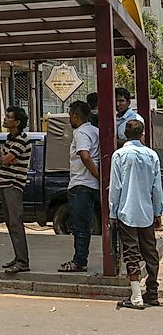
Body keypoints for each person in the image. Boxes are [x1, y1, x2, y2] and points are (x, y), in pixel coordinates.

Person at [109, 120, 162, 310]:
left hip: (126, 211)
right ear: (143, 134)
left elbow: (115, 186)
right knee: (150, 252)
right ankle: (152, 292)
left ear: (124, 135)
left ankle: (137, 297)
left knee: (131, 253)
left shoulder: (120, 155)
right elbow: (157, 188)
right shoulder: (152, 155)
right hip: (146, 211)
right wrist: (158, 211)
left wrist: (112, 212)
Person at [58, 101, 100, 273]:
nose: (70, 119)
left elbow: (84, 155)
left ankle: (79, 260)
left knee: (80, 225)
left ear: (76, 116)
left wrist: (98, 175)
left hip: (81, 183)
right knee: (85, 224)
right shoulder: (94, 131)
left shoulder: (81, 132)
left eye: (70, 116)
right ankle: (80, 258)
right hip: (90, 185)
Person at [0, 106, 33, 274]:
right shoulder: (10, 139)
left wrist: (6, 159)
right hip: (5, 184)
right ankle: (18, 256)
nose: (5, 119)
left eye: (8, 117)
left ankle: (22, 260)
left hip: (13, 184)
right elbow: (3, 159)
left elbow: (6, 159)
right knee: (10, 223)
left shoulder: (21, 140)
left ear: (17, 122)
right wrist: (5, 159)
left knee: (15, 223)